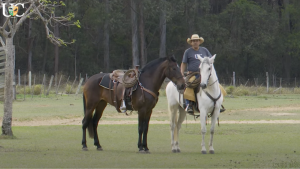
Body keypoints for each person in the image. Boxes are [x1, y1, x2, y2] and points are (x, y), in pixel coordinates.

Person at [181, 34, 225, 115]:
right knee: (189, 85)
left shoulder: (204, 50)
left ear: (199, 42)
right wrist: (182, 74)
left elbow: (211, 60)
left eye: (196, 41)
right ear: (191, 42)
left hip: (205, 74)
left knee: (217, 85)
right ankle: (189, 105)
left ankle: (219, 104)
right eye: (193, 41)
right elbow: (183, 63)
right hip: (193, 74)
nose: (195, 42)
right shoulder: (188, 52)